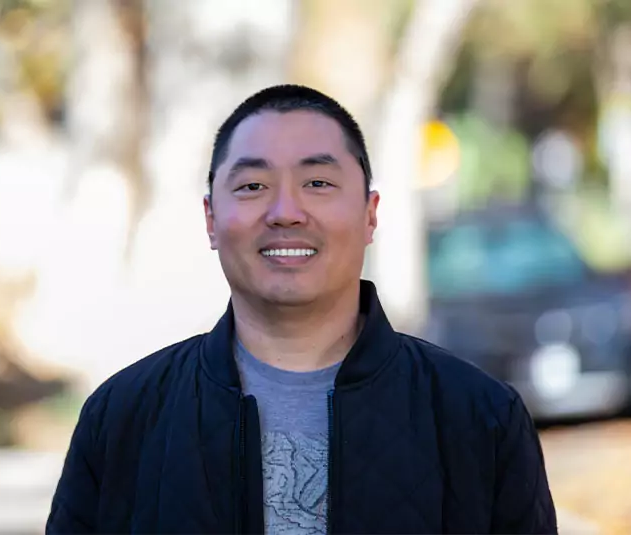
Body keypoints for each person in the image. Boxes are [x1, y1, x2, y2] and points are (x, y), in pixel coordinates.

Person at [46, 84, 558, 534]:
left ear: (369, 215)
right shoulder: (122, 419)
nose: (285, 212)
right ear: (210, 218)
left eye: (317, 183)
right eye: (252, 187)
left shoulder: (480, 419)